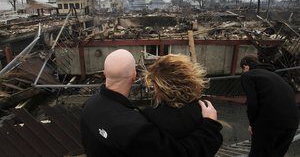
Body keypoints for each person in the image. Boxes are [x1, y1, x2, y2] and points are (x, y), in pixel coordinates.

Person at [80, 49, 223, 157]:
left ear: (105, 74)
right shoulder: (135, 126)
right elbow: (181, 153)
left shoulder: (89, 105)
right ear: (134, 76)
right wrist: (210, 126)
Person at [141, 54, 223, 156]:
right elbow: (213, 143)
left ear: (159, 85)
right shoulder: (203, 109)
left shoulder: (147, 116)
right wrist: (210, 123)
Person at [240, 54, 299, 157]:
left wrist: (252, 123)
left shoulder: (248, 75)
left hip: (270, 122)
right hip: (292, 122)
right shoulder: (274, 76)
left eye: (243, 69)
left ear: (245, 66)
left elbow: (252, 102)